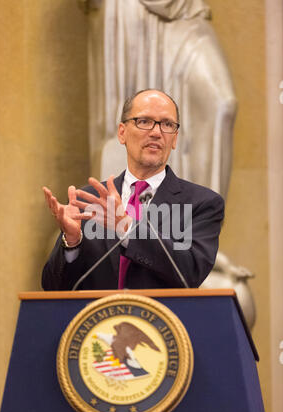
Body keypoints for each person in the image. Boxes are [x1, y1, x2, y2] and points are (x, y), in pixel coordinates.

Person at [42, 89, 224, 291]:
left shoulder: (202, 203)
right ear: (122, 133)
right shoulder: (90, 201)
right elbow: (53, 288)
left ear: (175, 139)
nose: (156, 132)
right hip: (97, 321)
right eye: (144, 121)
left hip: (162, 320)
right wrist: (72, 242)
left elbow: (190, 273)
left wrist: (127, 228)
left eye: (167, 124)